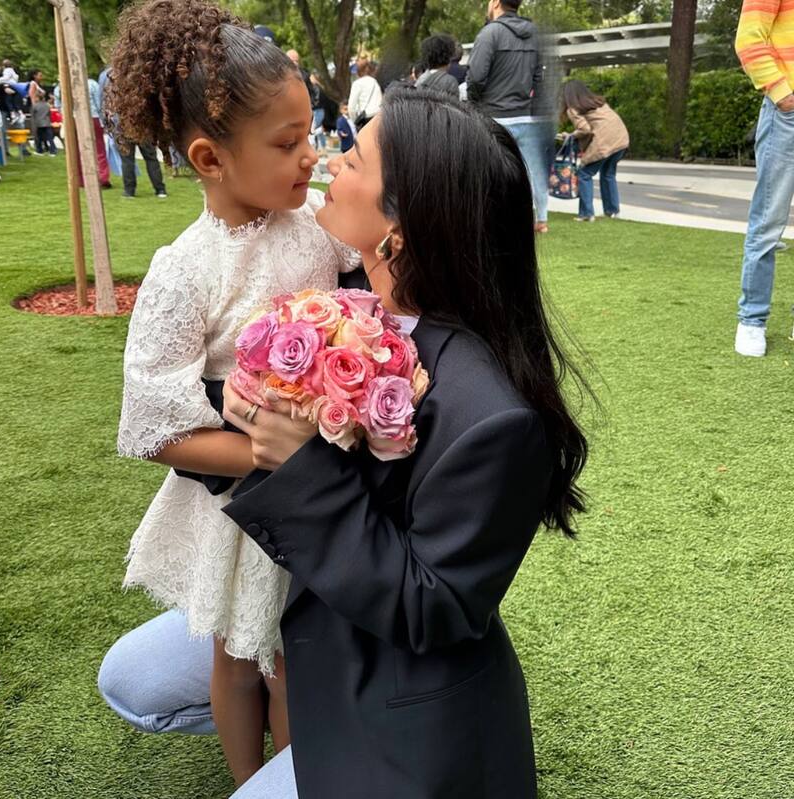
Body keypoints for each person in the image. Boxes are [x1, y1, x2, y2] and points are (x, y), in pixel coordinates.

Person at [99, 89, 590, 798]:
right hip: (294, 589)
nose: (326, 160)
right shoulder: (339, 281)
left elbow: (431, 608)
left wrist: (300, 461)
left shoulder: (495, 419)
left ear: (401, 226)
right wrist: (241, 402)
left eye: (353, 157)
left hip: (385, 670)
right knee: (133, 678)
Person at [102, 0, 356, 789]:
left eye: (310, 133)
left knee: (293, 663)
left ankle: (294, 772)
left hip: (320, 499)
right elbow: (153, 426)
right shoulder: (186, 271)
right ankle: (253, 777)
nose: (310, 157)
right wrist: (264, 454)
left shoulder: (316, 223)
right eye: (287, 144)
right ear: (211, 159)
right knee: (242, 654)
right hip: (243, 513)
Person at [734, 0, 794, 356]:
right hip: (787, 114)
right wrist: (784, 96)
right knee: (768, 222)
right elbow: (749, 39)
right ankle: (752, 320)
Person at [467, 0, 550, 233]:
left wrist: (475, 107)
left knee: (489, 173)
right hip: (525, 115)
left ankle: (492, 220)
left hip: (494, 115)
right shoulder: (535, 34)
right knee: (530, 171)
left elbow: (476, 77)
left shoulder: (490, 33)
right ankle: (540, 219)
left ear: (495, 2)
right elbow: (539, 79)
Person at [559, 80, 629, 223]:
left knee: (584, 174)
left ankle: (586, 214)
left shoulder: (573, 109)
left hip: (604, 143)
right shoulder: (599, 103)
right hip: (621, 140)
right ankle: (612, 212)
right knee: (608, 174)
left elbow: (585, 129)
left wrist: (570, 136)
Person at [348, 57, 382, 130]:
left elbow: (351, 107)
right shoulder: (375, 82)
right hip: (379, 117)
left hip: (366, 119)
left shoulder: (357, 84)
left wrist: (355, 121)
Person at [308, 73, 327, 153]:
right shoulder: (320, 87)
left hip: (317, 110)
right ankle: (322, 148)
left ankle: (315, 148)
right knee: (319, 131)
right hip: (320, 110)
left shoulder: (316, 87)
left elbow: (316, 100)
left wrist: (310, 106)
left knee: (314, 130)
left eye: (311, 77)